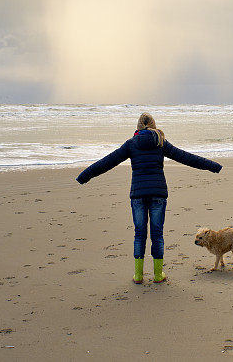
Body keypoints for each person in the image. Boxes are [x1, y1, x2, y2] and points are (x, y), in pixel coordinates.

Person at [76, 112, 222, 283]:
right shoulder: (160, 142)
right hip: (158, 194)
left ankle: (138, 276)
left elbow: (107, 162)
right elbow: (186, 157)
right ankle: (158, 275)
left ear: (138, 127)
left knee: (139, 234)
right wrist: (214, 166)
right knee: (157, 234)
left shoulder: (131, 144)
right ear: (153, 125)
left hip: (138, 195)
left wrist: (84, 176)